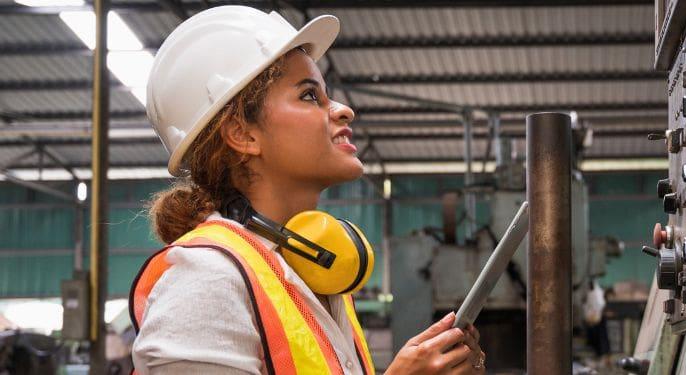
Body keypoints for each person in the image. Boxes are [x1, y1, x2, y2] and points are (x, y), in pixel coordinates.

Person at [129, 6, 485, 374]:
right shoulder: (204, 284)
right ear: (242, 134)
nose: (344, 110)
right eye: (310, 96)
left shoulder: (312, 272)